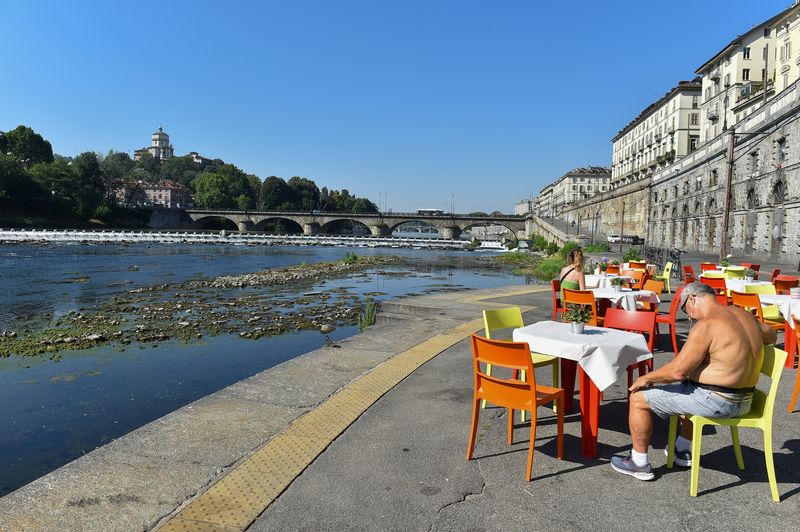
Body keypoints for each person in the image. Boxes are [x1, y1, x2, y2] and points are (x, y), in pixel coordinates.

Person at [611, 282, 777, 480]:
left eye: (685, 309)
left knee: (638, 399)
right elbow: (772, 335)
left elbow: (678, 371)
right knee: (688, 388)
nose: (688, 316)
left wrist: (646, 378)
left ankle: (638, 462)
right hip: (746, 402)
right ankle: (683, 449)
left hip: (717, 401)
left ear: (692, 298)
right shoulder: (744, 315)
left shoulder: (706, 324)